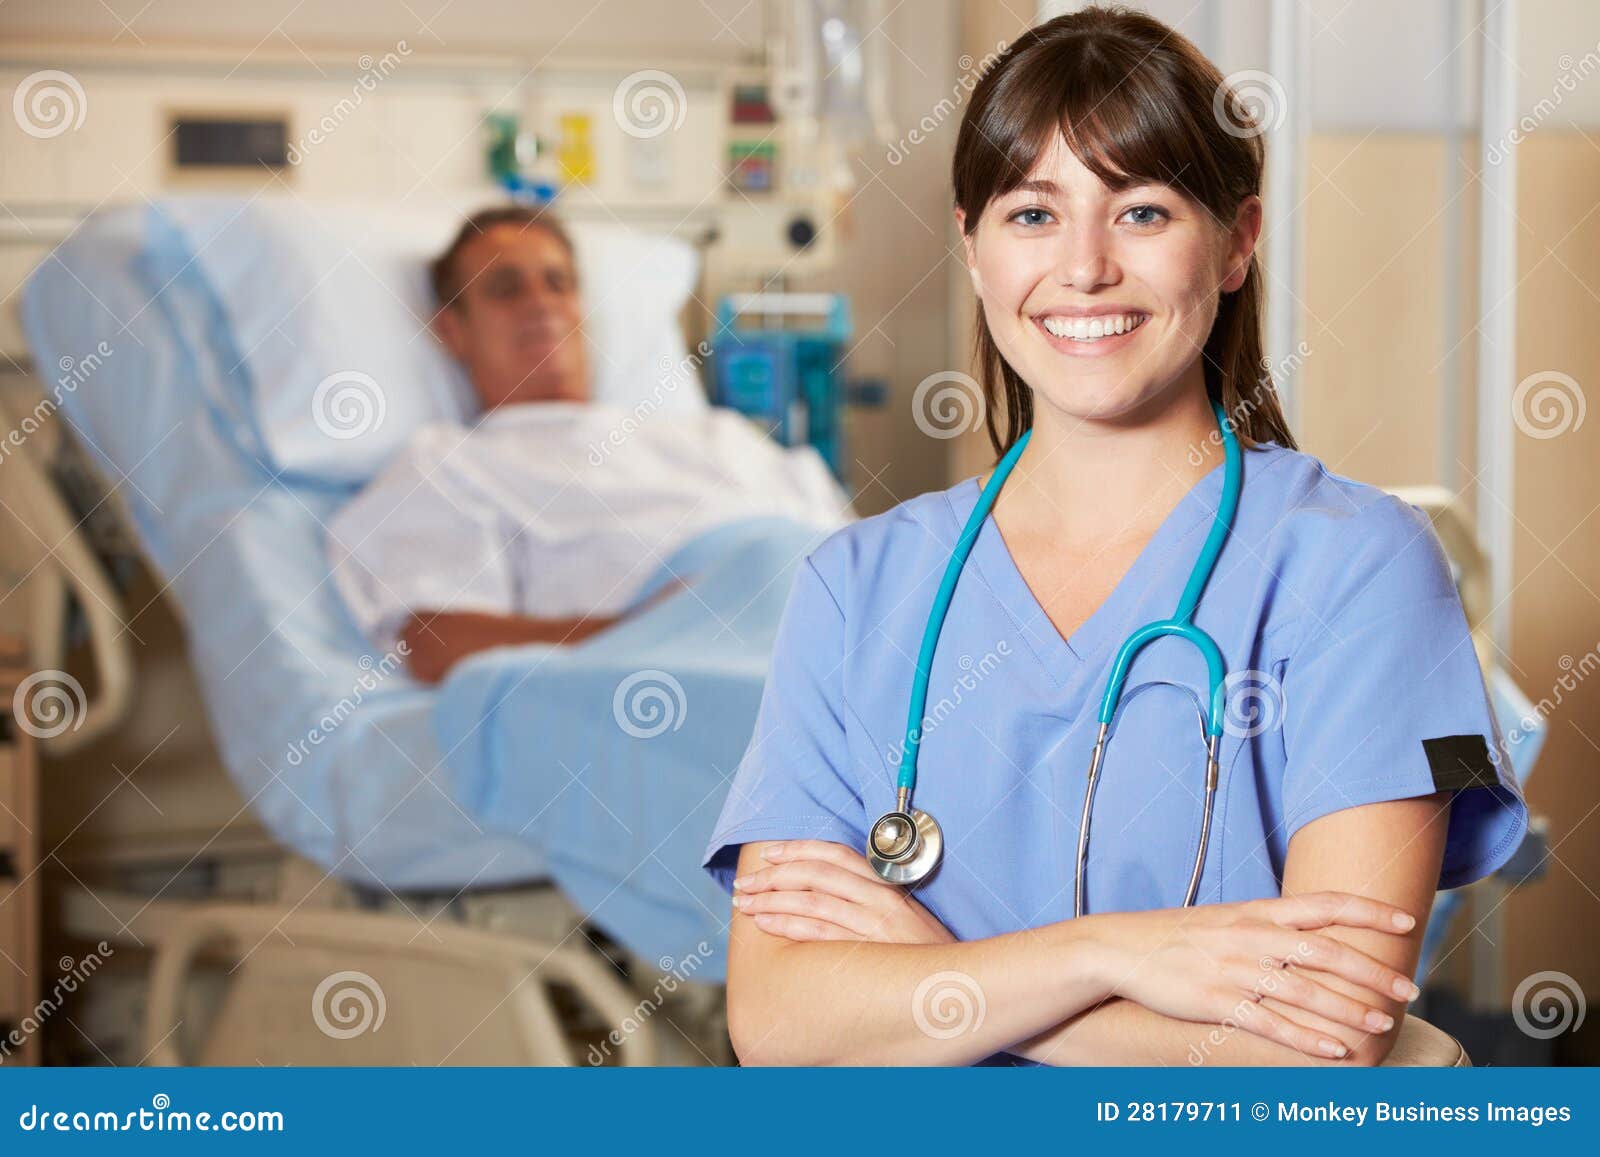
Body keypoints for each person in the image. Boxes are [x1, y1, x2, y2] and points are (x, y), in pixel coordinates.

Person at [700, 6, 1527, 1066]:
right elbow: (777, 1022)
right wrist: (1108, 955)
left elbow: (1322, 1048)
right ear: (973, 246)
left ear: (1235, 242)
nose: (1082, 267)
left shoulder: (1357, 565)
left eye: (1140, 212)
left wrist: (938, 969)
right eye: (1032, 215)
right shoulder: (854, 585)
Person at [327, 207, 850, 682]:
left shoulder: (720, 436)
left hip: (839, 623)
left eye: (559, 283)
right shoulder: (451, 463)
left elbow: (867, 565)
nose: (541, 304)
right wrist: (646, 631)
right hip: (697, 668)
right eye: (506, 289)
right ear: (452, 330)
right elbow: (436, 644)